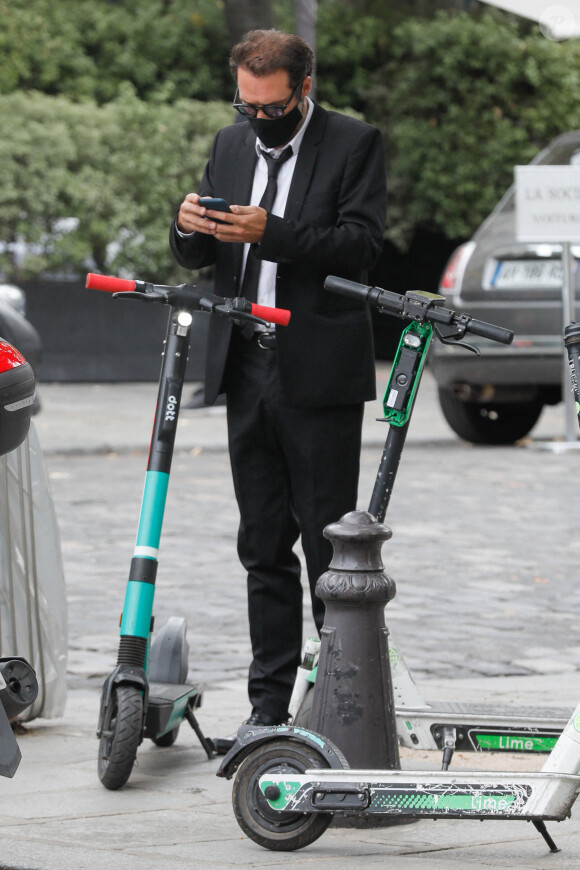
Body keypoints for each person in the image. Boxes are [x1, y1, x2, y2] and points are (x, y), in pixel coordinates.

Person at [169, 29, 386, 736]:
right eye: (247, 105)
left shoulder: (354, 143)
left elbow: (361, 247)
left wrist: (276, 231)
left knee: (328, 548)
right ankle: (266, 709)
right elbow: (205, 253)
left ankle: (335, 705)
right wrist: (187, 228)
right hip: (245, 361)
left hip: (316, 369)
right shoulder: (231, 144)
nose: (258, 120)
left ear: (304, 91)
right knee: (261, 542)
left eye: (272, 108)